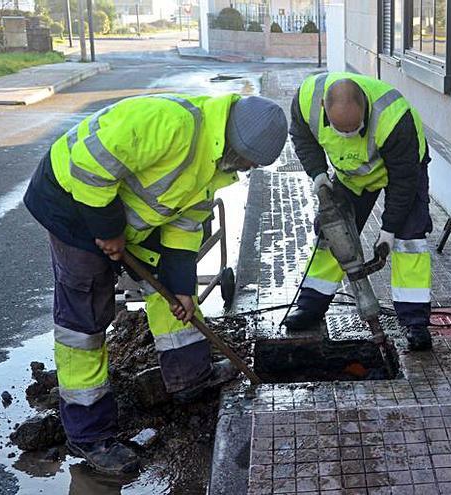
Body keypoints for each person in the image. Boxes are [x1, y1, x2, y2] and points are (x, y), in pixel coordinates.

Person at [23, 93, 287, 475]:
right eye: (249, 161)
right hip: (71, 202)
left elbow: (184, 227)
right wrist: (109, 230)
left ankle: (188, 377)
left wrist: (180, 286)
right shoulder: (171, 123)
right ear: (235, 144)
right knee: (85, 320)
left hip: (125, 214)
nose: (247, 169)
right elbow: (88, 167)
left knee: (173, 291)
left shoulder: (214, 165)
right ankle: (89, 433)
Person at [286, 72, 433, 351]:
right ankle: (311, 305)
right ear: (324, 110)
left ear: (365, 107)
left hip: (401, 172)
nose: (348, 137)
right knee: (333, 234)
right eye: (341, 132)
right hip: (351, 176)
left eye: (355, 130)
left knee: (410, 240)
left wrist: (388, 231)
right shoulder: (306, 99)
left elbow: (404, 182)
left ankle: (415, 321)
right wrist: (319, 176)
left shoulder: (394, 118)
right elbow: (302, 138)